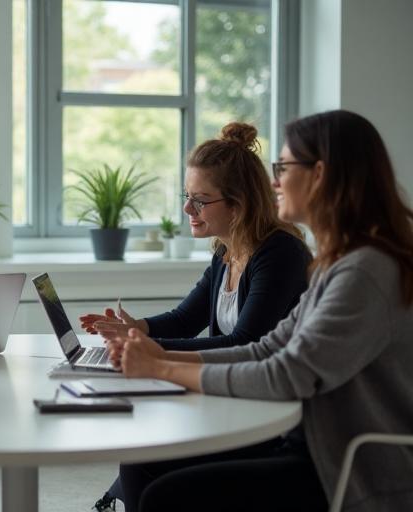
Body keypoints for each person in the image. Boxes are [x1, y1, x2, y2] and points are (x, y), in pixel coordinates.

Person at [113, 110, 413, 511]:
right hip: (311, 442)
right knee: (143, 463)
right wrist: (158, 354)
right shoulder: (339, 263)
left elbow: (288, 373)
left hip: (345, 464)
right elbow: (267, 347)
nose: (274, 181)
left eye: (284, 167)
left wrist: (161, 367)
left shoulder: (365, 270)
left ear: (319, 173)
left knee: (167, 496)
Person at [81, 122, 311, 511]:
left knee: (142, 461)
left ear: (239, 205)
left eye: (200, 200)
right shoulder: (226, 252)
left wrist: (148, 350)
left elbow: (245, 343)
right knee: (141, 456)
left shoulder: (280, 254)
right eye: (186, 197)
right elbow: (185, 318)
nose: (188, 209)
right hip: (236, 401)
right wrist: (139, 329)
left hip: (273, 421)